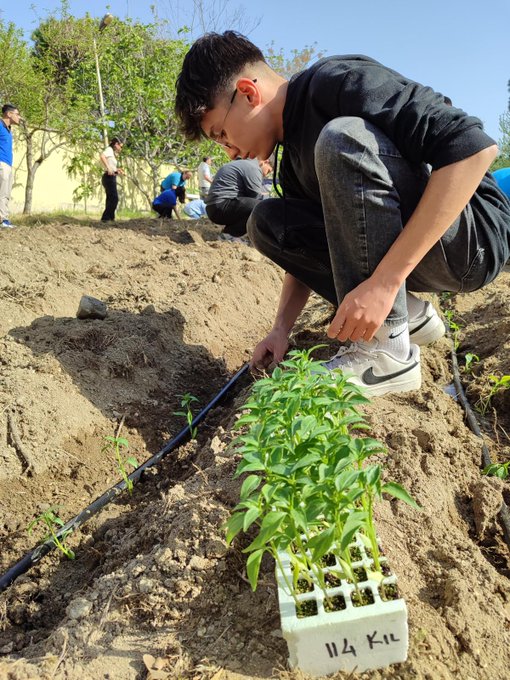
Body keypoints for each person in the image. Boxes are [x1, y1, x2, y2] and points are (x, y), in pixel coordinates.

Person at [175, 31, 510, 397]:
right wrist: (280, 329)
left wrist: (385, 282)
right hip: (422, 254)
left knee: (343, 137)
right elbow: (310, 246)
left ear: (248, 93)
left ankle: (388, 353)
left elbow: (474, 149)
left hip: (472, 239)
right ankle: (409, 316)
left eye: (222, 134)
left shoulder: (337, 82)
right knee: (268, 221)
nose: (229, 152)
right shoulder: (289, 163)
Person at [205, 158, 271, 237]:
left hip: (213, 208)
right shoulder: (253, 167)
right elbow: (256, 196)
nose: (266, 174)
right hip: (221, 206)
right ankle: (230, 235)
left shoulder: (243, 164)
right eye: (268, 171)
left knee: (256, 205)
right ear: (265, 162)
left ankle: (229, 233)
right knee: (262, 206)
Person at [0, 104, 22, 229]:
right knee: (2, 193)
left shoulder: (8, 129)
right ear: (9, 114)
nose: (19, 117)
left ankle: (4, 219)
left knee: (6, 193)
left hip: (7, 165)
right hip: (1, 164)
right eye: (17, 114)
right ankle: (3, 220)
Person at [99, 137, 124, 222]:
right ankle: (105, 218)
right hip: (108, 177)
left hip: (111, 177)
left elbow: (112, 168)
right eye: (121, 146)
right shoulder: (109, 149)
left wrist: (117, 170)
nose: (121, 148)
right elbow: (102, 156)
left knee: (110, 198)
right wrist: (108, 167)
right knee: (114, 198)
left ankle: (110, 218)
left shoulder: (112, 153)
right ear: (116, 144)